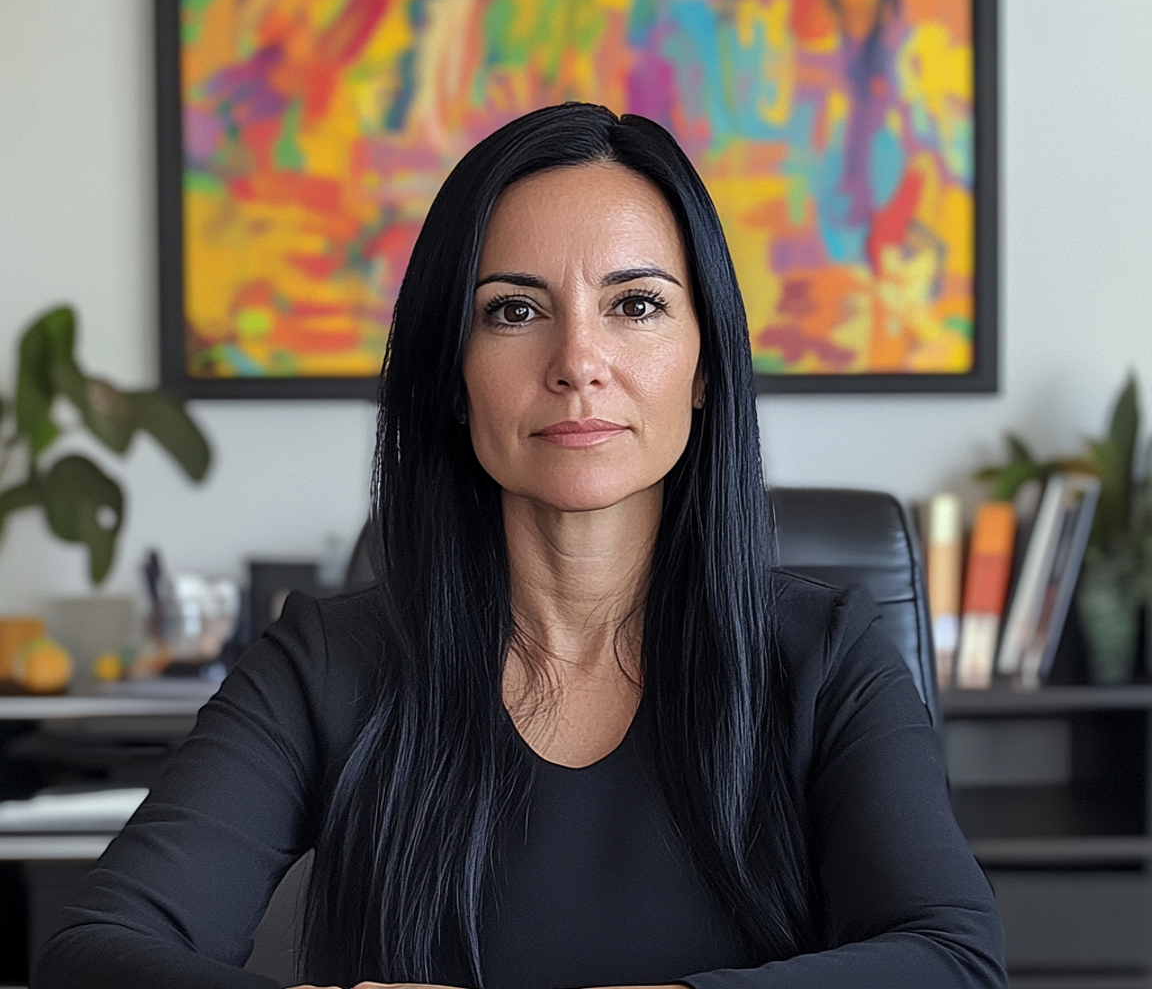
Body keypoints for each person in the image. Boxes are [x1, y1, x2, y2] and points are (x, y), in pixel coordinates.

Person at [34, 103, 1006, 989]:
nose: (579, 361)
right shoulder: (326, 662)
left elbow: (953, 958)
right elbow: (94, 956)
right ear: (453, 379)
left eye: (635, 305)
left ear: (704, 365)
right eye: (513, 309)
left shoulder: (830, 655)